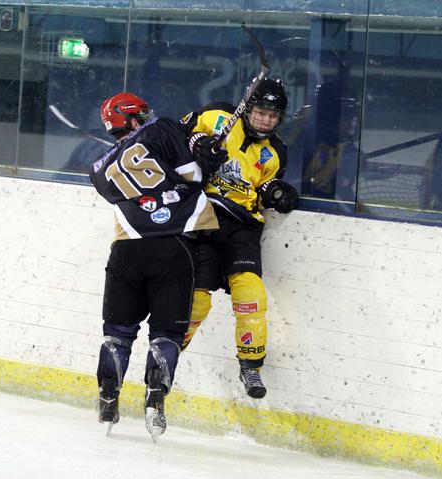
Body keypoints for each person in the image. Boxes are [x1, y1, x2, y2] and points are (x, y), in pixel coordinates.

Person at [89, 92, 219, 439]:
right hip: (175, 246)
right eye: (141, 113)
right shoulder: (161, 129)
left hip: (127, 250)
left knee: (117, 335)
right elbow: (192, 175)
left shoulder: (98, 169)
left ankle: (107, 396)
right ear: (131, 118)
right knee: (166, 335)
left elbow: (139, 180)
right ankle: (155, 400)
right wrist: (208, 159)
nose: (148, 116)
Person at [178, 78, 299, 399]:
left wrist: (275, 192)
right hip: (204, 216)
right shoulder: (217, 116)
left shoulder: (275, 153)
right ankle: (171, 350)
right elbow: (176, 136)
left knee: (251, 293)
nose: (266, 121)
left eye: (273, 116)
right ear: (247, 108)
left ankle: (250, 366)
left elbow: (263, 189)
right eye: (261, 112)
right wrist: (197, 146)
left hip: (243, 226)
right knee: (197, 298)